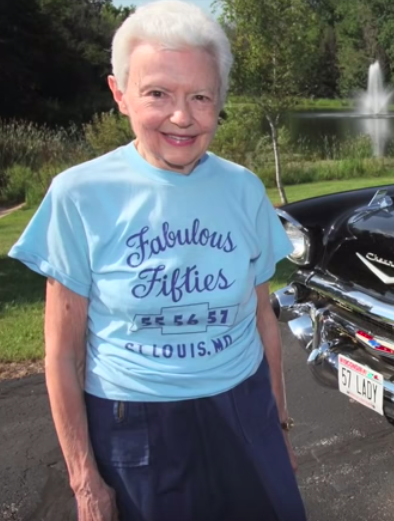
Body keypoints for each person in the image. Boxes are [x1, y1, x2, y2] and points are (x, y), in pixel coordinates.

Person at [7, 1, 306, 519]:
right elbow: (61, 353)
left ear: (219, 102)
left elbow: (264, 320)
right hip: (136, 422)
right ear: (119, 94)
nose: (182, 117)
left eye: (200, 97)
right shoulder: (79, 194)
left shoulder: (243, 188)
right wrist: (85, 482)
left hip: (244, 407)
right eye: (157, 94)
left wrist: (278, 426)